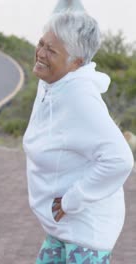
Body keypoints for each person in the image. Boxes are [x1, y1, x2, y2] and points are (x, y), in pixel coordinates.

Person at [23, 11, 134, 264]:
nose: (40, 53)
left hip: (86, 233)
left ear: (76, 62)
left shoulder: (80, 97)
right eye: (41, 44)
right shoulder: (51, 84)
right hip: (61, 228)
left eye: (51, 51)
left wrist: (73, 199)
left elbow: (120, 159)